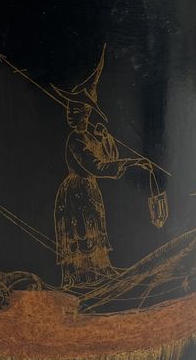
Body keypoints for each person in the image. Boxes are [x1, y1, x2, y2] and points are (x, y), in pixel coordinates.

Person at [51, 48, 151, 289]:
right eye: (70, 110)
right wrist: (131, 162)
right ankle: (81, 276)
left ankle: (99, 269)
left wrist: (105, 139)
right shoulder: (76, 139)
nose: (72, 115)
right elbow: (96, 166)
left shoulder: (90, 136)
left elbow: (108, 157)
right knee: (80, 229)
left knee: (94, 226)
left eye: (78, 111)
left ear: (88, 114)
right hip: (76, 190)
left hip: (88, 189)